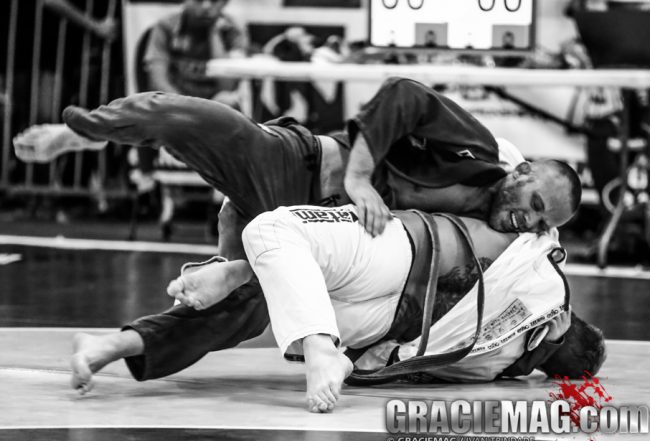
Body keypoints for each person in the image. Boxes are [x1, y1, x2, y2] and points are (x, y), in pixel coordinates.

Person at [14, 78, 583, 374]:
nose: (527, 219)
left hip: (311, 237)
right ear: (522, 170)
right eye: (533, 202)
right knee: (200, 120)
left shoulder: (508, 246)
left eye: (541, 221)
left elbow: (522, 296)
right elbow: (404, 95)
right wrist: (359, 178)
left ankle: (109, 347)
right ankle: (84, 132)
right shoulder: (479, 150)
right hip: (299, 169)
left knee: (241, 315)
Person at [69, 203, 604, 413]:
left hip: (400, 259)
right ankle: (113, 345)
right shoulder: (501, 367)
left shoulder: (544, 277)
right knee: (268, 295)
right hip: (377, 331)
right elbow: (404, 366)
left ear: (562, 321)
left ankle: (245, 272)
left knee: (271, 236)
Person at [133, 0, 247, 235]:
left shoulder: (231, 31)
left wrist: (214, 34)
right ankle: (148, 186)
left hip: (213, 109)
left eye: (214, 1)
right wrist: (186, 108)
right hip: (176, 106)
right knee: (147, 104)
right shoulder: (166, 27)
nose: (206, 6)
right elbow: (157, 79)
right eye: (199, 0)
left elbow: (228, 84)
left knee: (230, 102)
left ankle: (220, 200)